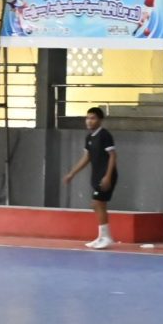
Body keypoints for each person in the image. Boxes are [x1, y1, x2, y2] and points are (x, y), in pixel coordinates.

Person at [59, 105, 120, 249]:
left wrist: (108, 176)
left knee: (97, 204)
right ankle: (102, 236)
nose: (89, 121)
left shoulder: (104, 135)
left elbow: (113, 156)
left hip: (106, 175)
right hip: (96, 175)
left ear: (100, 120)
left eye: (93, 118)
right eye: (87, 118)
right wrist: (72, 173)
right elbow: (86, 157)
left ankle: (106, 237)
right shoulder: (89, 138)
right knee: (97, 205)